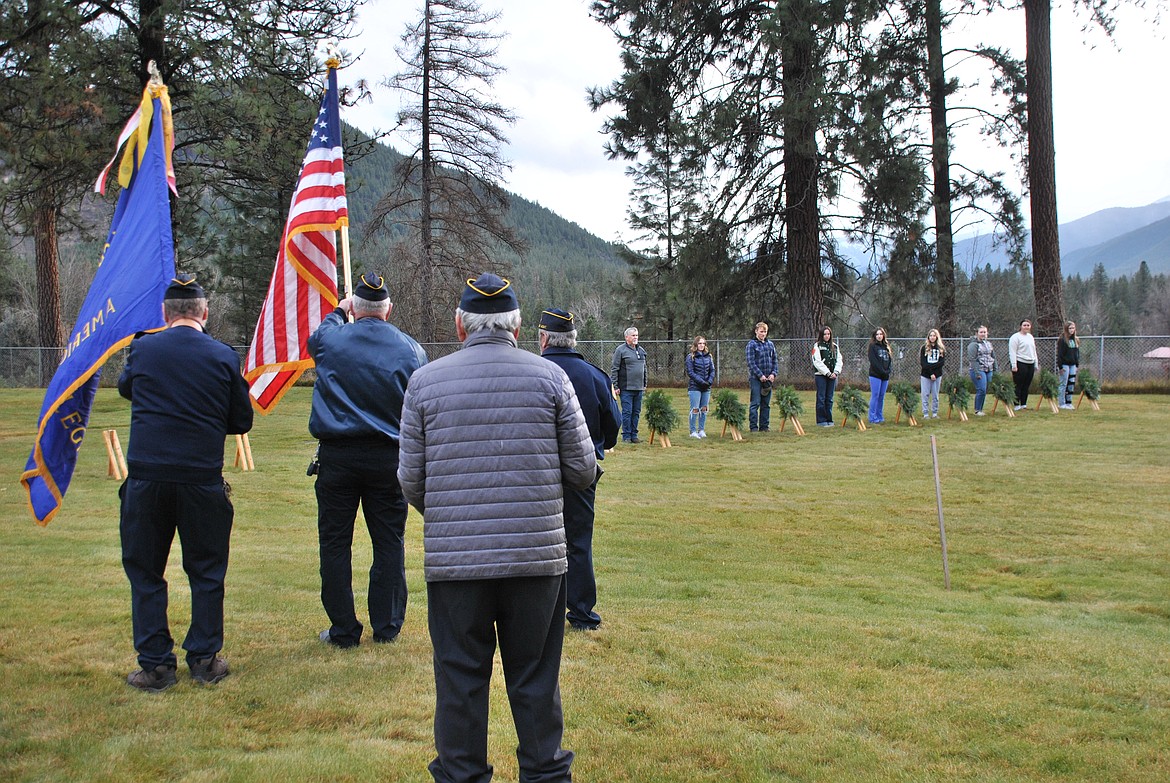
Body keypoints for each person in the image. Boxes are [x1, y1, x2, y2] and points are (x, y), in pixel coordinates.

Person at [398, 273, 597, 783]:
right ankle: (545, 774)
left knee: (460, 680)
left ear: (461, 326)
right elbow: (580, 469)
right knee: (535, 678)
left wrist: (453, 515)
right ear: (517, 325)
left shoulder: (425, 382)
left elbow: (412, 481)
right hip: (535, 556)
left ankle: (461, 774)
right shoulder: (552, 379)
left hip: (457, 561)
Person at [117, 274, 253, 692]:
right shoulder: (222, 357)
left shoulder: (142, 350)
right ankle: (205, 659)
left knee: (146, 573)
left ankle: (156, 665)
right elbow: (240, 420)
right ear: (204, 313)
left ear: (165, 314)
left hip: (148, 479)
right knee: (207, 572)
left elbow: (127, 390)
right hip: (200, 478)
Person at [307, 272, 427, 648]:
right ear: (388, 309)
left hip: (338, 457)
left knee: (335, 543)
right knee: (389, 541)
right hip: (388, 458)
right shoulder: (411, 350)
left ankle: (343, 629)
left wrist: (338, 312)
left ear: (356, 308)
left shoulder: (333, 339)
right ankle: (387, 625)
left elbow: (316, 337)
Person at [539, 307, 621, 631]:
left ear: (544, 338)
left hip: (539, 470)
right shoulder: (595, 376)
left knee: (538, 541)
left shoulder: (535, 371)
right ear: (572, 339)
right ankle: (583, 614)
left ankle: (539, 613)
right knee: (578, 542)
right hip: (581, 471)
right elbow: (614, 424)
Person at [610, 326, 648, 443]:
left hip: (639, 387)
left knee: (636, 412)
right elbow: (614, 369)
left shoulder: (641, 350)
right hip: (626, 387)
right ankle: (626, 436)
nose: (636, 337)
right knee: (627, 412)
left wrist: (645, 383)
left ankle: (634, 435)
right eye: (633, 335)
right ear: (627, 337)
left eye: (637, 335)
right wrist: (615, 386)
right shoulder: (620, 350)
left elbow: (644, 368)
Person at [745, 322, 778, 432]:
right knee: (755, 403)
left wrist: (773, 374)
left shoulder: (770, 345)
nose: (763, 334)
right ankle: (753, 427)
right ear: (756, 331)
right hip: (756, 379)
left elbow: (775, 361)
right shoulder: (751, 345)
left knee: (766, 404)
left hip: (768, 380)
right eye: (761, 331)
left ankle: (764, 427)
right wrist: (760, 375)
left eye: (765, 332)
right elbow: (751, 363)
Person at [811, 326, 842, 426]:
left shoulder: (835, 347)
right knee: (821, 397)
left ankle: (829, 419)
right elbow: (817, 361)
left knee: (829, 398)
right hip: (821, 375)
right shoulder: (817, 346)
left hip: (832, 376)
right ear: (821, 335)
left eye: (828, 334)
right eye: (825, 334)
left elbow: (839, 360)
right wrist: (827, 373)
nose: (827, 336)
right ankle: (821, 420)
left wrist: (836, 372)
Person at [687, 335, 716, 438]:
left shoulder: (709, 356)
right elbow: (690, 372)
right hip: (695, 387)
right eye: (699, 343)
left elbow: (712, 370)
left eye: (703, 343)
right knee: (695, 409)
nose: (701, 345)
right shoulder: (691, 357)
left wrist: (709, 381)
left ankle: (701, 430)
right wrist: (701, 381)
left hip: (706, 387)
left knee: (704, 409)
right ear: (696, 344)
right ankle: (692, 431)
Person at [967, 325, 996, 416]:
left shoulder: (988, 344)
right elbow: (973, 359)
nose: (983, 334)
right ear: (977, 333)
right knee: (981, 389)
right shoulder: (973, 345)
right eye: (981, 332)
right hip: (979, 370)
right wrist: (977, 372)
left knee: (985, 389)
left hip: (989, 369)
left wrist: (995, 369)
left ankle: (981, 409)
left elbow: (993, 356)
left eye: (985, 332)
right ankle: (977, 410)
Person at [1009, 318, 1038, 409]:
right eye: (1024, 325)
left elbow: (1034, 350)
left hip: (1030, 363)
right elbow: (1012, 352)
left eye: (1028, 325)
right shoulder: (1015, 337)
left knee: (1026, 385)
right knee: (1018, 385)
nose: (1026, 327)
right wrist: (1014, 365)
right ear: (1021, 326)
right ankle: (1016, 404)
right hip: (1020, 363)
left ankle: (1023, 404)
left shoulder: (1030, 337)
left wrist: (1036, 363)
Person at [867, 327, 892, 424]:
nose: (879, 336)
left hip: (885, 376)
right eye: (877, 334)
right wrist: (882, 371)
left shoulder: (886, 347)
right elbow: (874, 361)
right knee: (875, 395)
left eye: (881, 334)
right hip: (875, 375)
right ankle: (872, 417)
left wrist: (887, 371)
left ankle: (879, 415)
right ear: (874, 336)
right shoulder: (872, 346)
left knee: (881, 396)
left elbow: (889, 361)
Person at [920, 328, 946, 419]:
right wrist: (930, 373)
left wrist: (935, 373)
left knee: (935, 394)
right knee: (925, 394)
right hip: (926, 375)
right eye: (930, 335)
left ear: (937, 337)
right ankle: (925, 413)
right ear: (928, 337)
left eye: (934, 335)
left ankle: (935, 413)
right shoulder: (924, 348)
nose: (932, 337)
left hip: (937, 375)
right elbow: (923, 363)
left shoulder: (941, 348)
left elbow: (941, 363)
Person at [1056, 320, 1079, 409]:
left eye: (1073, 328)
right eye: (1070, 328)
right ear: (1066, 329)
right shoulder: (1062, 340)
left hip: (1073, 364)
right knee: (1063, 383)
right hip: (1065, 364)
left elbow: (1077, 354)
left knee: (1071, 383)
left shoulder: (1075, 340)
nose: (1072, 330)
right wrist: (1060, 367)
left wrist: (1077, 364)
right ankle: (1062, 403)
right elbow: (1060, 354)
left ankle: (1069, 402)